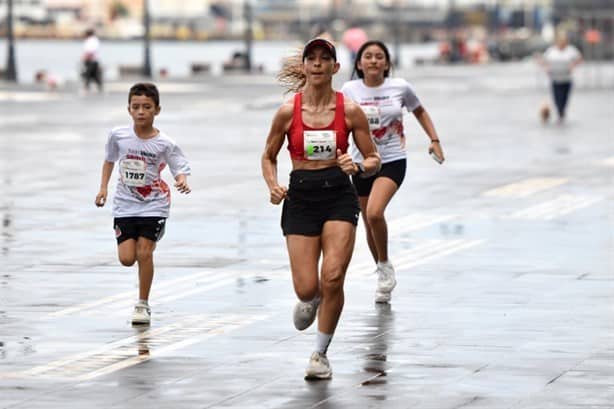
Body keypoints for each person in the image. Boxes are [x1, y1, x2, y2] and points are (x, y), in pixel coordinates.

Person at [262, 38, 381, 380]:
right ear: (303, 67)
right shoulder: (288, 111)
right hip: (300, 196)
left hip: (338, 195)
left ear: (335, 67)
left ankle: (319, 354)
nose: (316, 64)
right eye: (310, 59)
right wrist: (273, 185)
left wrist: (357, 166)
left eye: (323, 59)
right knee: (306, 288)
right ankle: (311, 298)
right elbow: (268, 156)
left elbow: (374, 158)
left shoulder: (350, 110)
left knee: (333, 276)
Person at [340, 40, 445, 304]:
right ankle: (383, 274)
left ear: (386, 63)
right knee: (368, 221)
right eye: (368, 56)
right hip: (360, 163)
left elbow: (420, 111)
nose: (374, 61)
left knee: (375, 212)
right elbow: (341, 124)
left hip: (392, 160)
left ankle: (385, 265)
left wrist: (434, 140)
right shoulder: (349, 90)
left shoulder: (400, 87)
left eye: (379, 57)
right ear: (359, 63)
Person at [95, 83, 191, 325]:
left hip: (154, 204)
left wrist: (181, 180)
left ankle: (142, 304)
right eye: (135, 107)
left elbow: (178, 165)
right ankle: (141, 255)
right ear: (128, 109)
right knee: (127, 258)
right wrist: (103, 188)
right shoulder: (118, 135)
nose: (140, 112)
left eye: (146, 107)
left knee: (144, 253)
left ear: (157, 110)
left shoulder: (164, 143)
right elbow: (109, 161)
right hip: (125, 204)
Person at [539, 31, 583, 123]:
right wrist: (547, 68)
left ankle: (562, 111)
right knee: (557, 97)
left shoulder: (571, 50)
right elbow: (543, 60)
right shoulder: (551, 51)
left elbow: (579, 59)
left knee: (564, 97)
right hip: (555, 78)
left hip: (567, 78)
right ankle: (560, 112)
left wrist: (573, 66)